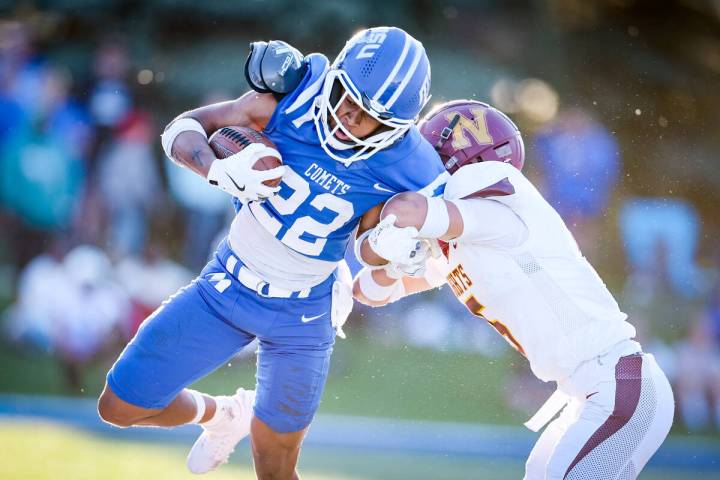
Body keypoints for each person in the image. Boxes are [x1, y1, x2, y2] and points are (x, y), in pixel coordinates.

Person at [97, 27, 447, 479]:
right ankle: (222, 415)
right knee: (119, 406)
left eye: (368, 114)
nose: (347, 114)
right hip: (226, 285)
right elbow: (181, 129)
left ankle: (243, 424)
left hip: (303, 312)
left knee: (275, 468)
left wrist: (400, 251)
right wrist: (215, 169)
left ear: (399, 130)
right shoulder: (293, 98)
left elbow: (431, 257)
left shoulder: (412, 170)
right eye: (344, 94)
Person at [353, 100, 674, 480]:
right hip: (591, 392)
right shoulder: (465, 239)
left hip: (617, 385)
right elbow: (368, 291)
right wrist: (397, 260)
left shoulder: (495, 211)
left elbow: (407, 210)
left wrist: (385, 233)